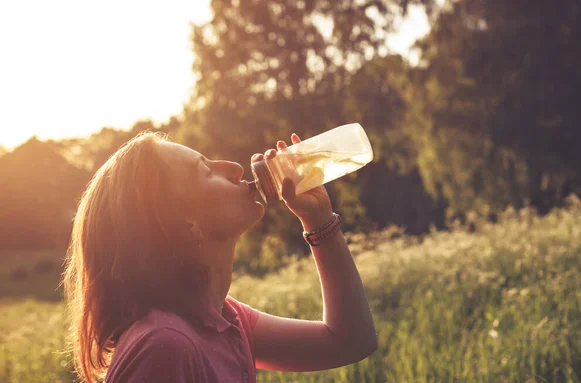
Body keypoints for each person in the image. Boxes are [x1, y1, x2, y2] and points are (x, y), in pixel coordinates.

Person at [62, 131, 378, 382]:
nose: (235, 168)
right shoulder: (165, 346)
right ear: (184, 224)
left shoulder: (224, 321)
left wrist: (320, 221)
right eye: (207, 171)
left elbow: (349, 341)